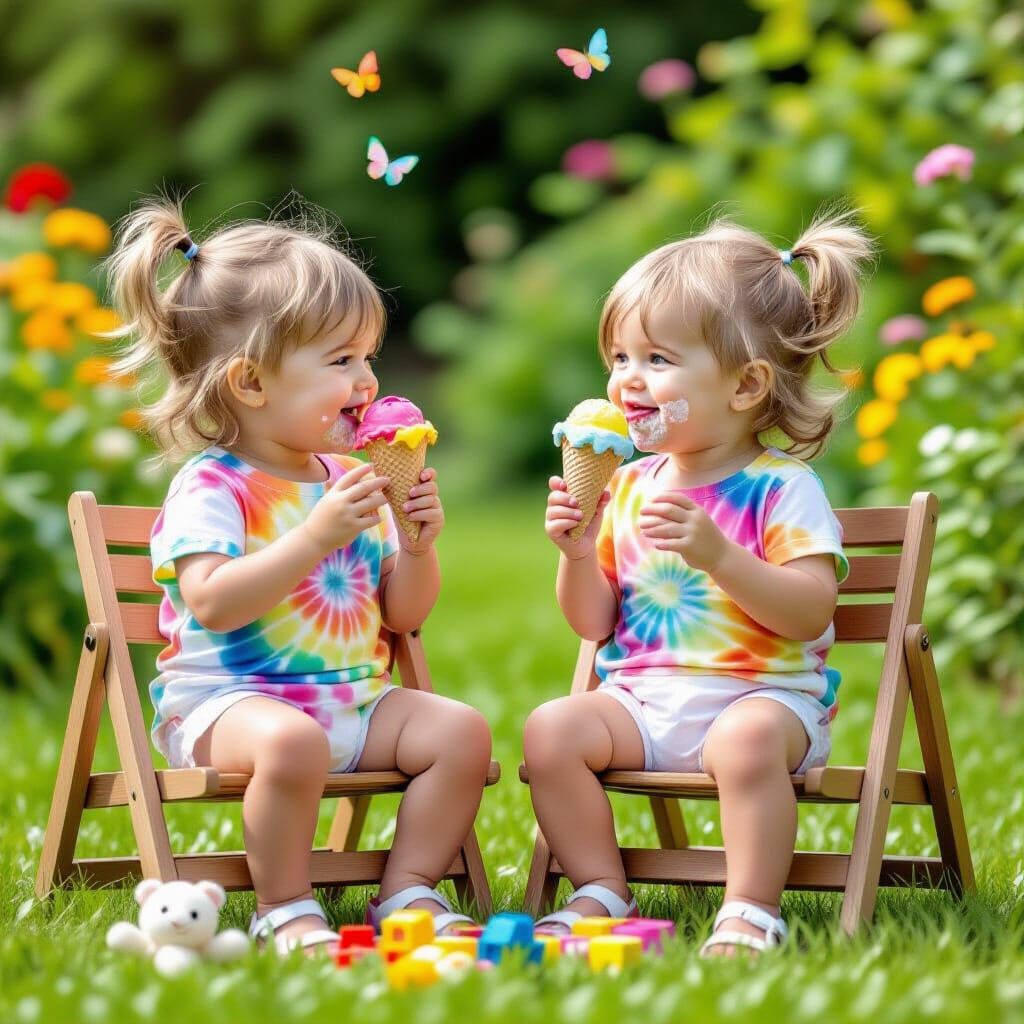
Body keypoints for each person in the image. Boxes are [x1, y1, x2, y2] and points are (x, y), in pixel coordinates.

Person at [106, 197, 492, 954]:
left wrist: (416, 544)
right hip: (231, 707)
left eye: (368, 357)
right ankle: (284, 903)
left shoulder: (352, 481)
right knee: (292, 748)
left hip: (355, 697)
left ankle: (408, 888)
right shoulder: (214, 486)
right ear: (251, 384)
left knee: (460, 732)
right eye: (341, 361)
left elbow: (402, 616)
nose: (367, 380)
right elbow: (212, 603)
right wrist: (316, 534)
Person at [527, 212, 872, 956]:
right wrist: (579, 552)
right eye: (618, 356)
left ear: (747, 385)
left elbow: (810, 614)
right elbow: (594, 625)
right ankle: (599, 888)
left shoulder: (782, 488)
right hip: (642, 701)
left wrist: (722, 557)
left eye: (657, 358)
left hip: (761, 701)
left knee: (746, 742)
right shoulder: (625, 485)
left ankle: (750, 908)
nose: (627, 379)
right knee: (552, 729)